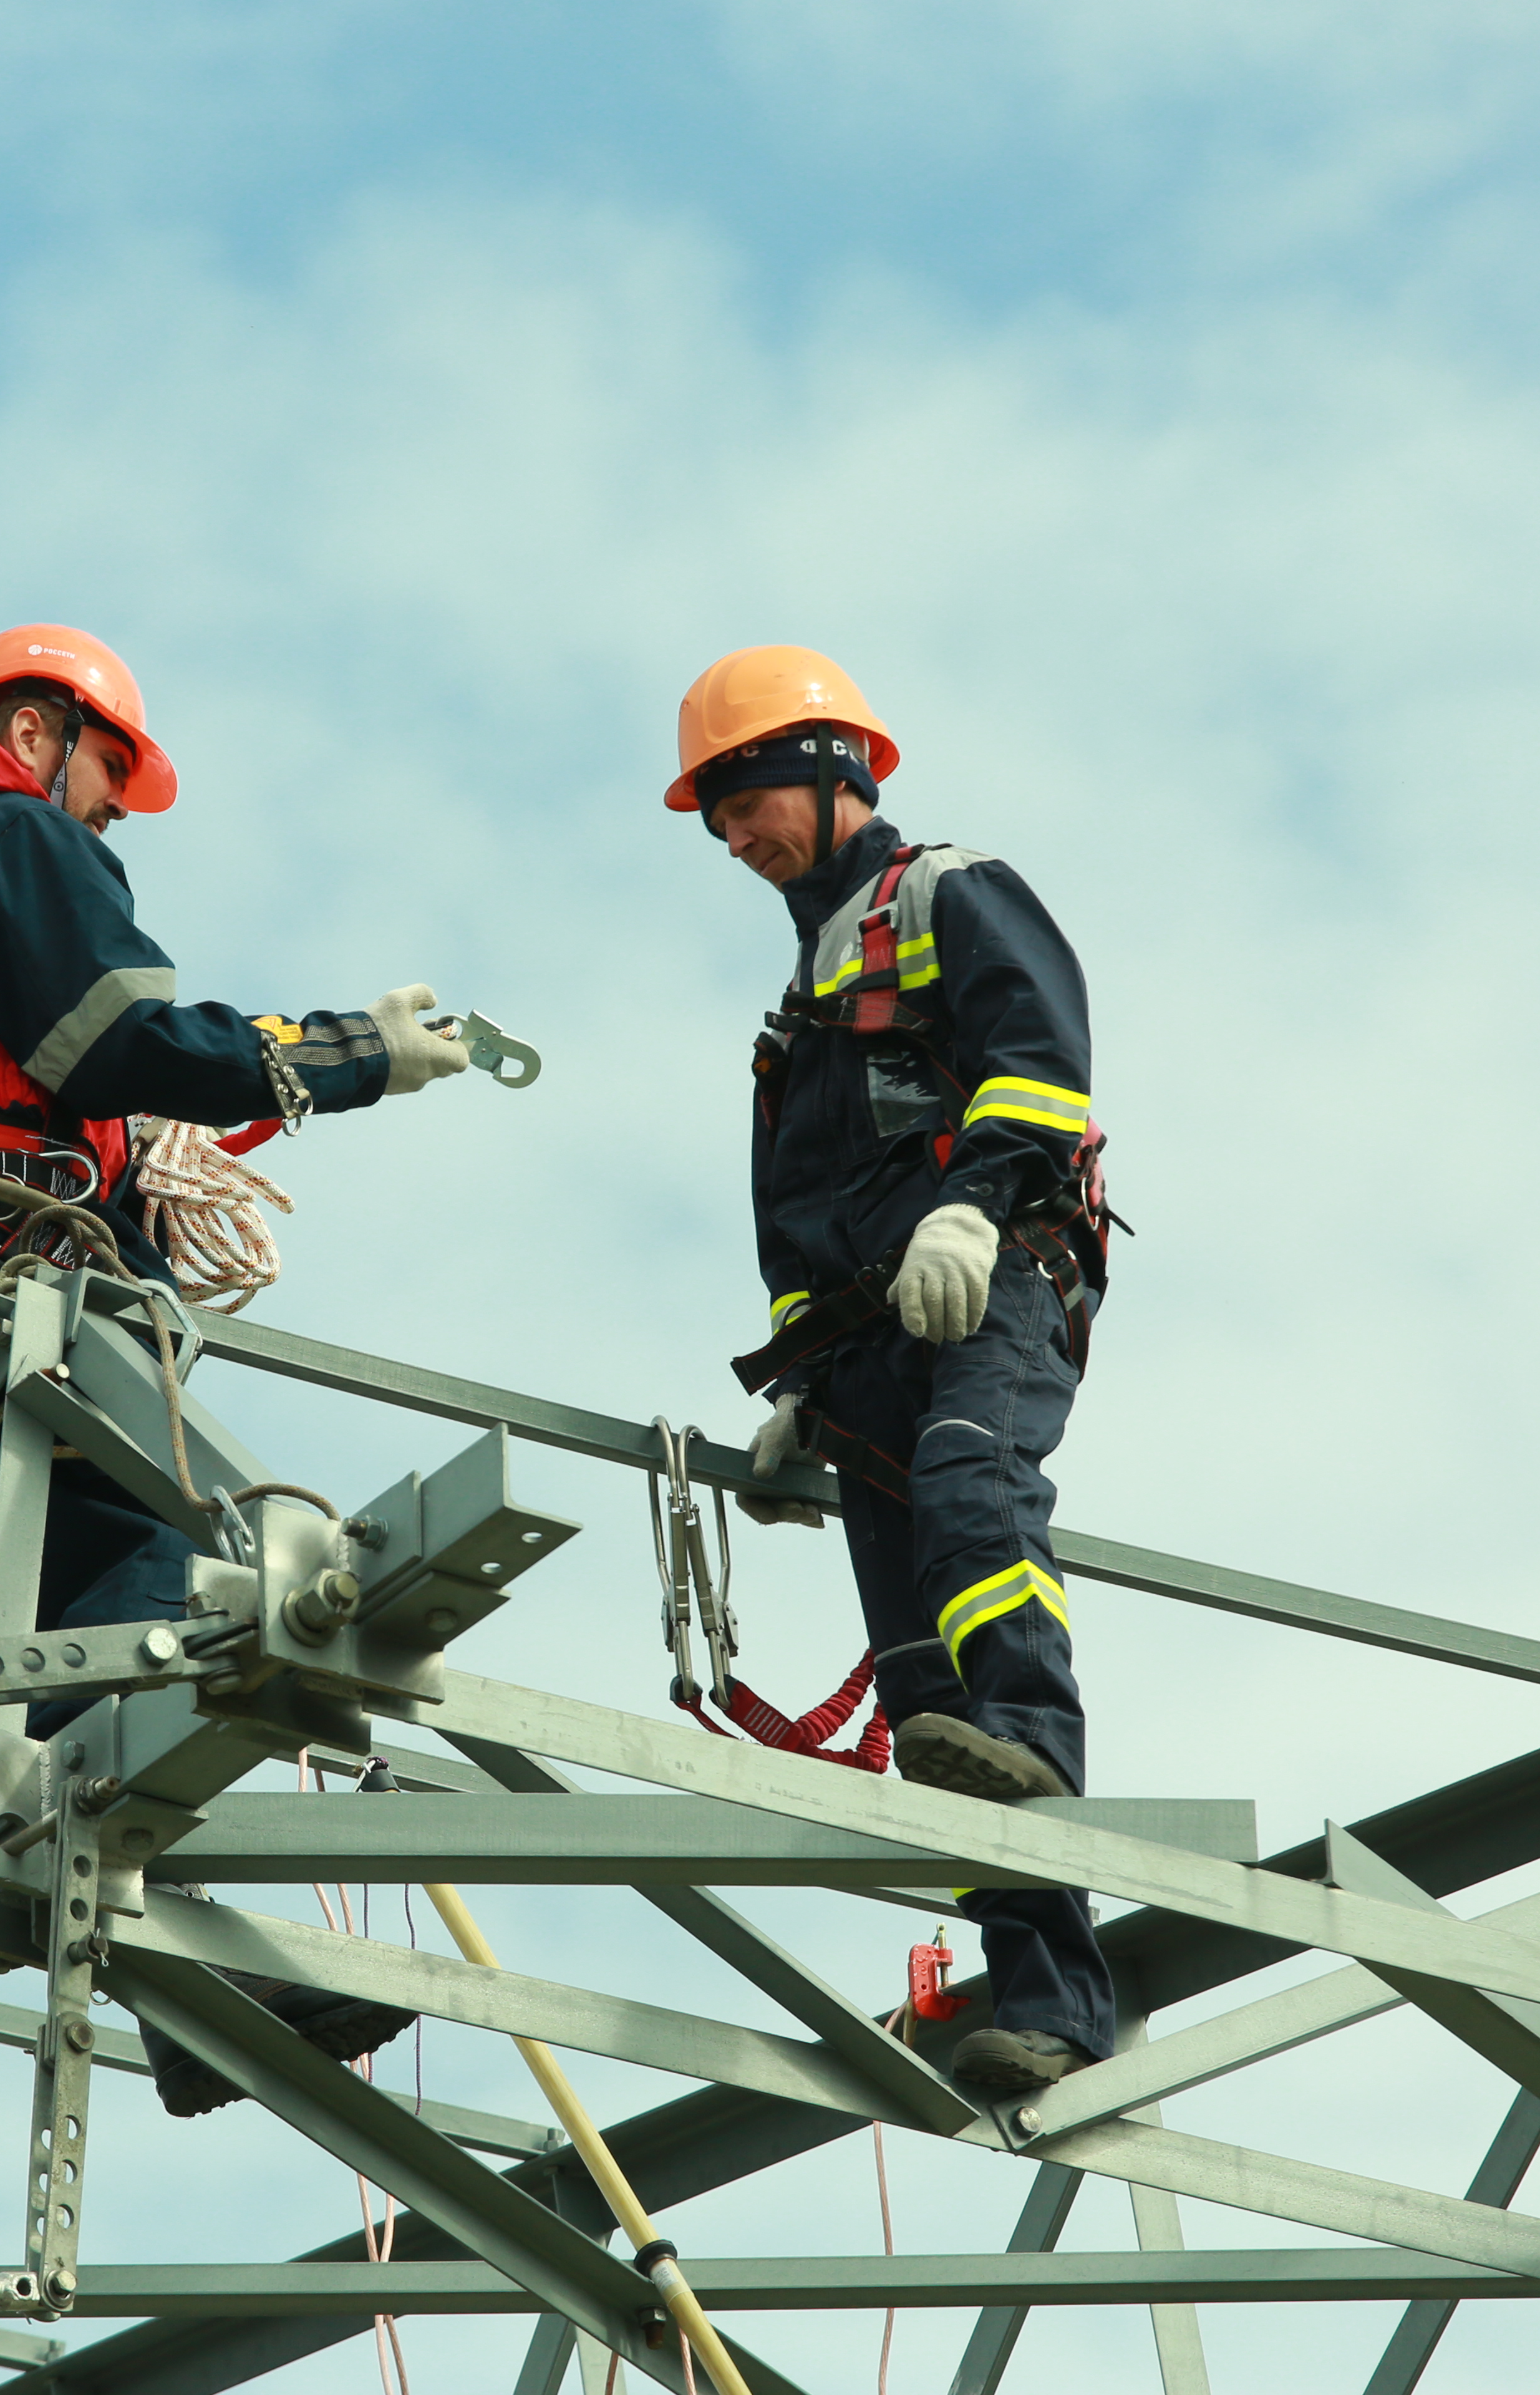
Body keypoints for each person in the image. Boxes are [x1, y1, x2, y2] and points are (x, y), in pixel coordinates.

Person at [0, 622, 462, 2113]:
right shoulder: (11, 831)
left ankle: (191, 1995)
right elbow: (118, 1048)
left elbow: (15, 1074)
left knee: (76, 1633)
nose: (110, 808)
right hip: (5, 1268)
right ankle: (202, 1970)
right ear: (36, 732)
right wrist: (350, 1056)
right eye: (111, 769)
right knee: (174, 1579)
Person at [671, 643, 1121, 2093]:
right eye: (716, 816)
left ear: (827, 766)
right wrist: (800, 1384)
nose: (731, 836)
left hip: (987, 1282)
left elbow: (1043, 1059)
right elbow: (799, 1205)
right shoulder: (804, 997)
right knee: (928, 1684)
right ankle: (1044, 2000)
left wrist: (973, 1208)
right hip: (863, 1339)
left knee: (971, 1493)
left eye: (740, 799)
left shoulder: (946, 892)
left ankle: (1036, 1734)